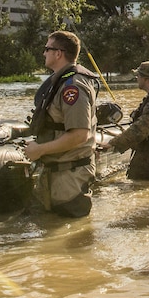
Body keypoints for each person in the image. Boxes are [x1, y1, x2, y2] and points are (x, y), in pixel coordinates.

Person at [21, 30, 99, 217]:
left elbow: (80, 135)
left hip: (70, 179)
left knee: (71, 236)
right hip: (52, 175)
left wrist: (40, 150)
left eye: (47, 48)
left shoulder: (73, 86)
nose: (43, 53)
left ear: (58, 53)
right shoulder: (60, 82)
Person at [105, 61, 149, 180]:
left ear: (145, 79)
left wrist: (112, 143)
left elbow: (140, 129)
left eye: (138, 75)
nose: (136, 78)